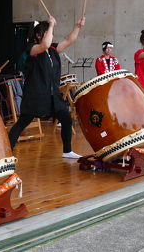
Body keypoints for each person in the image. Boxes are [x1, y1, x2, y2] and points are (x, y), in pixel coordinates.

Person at [8, 15, 86, 159]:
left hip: (52, 96)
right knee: (22, 122)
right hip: (36, 95)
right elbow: (44, 45)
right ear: (38, 35)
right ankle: (6, 152)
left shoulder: (53, 49)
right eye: (46, 33)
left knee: (66, 118)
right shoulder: (32, 48)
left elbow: (70, 40)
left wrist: (78, 26)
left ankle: (67, 151)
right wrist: (50, 25)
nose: (50, 35)